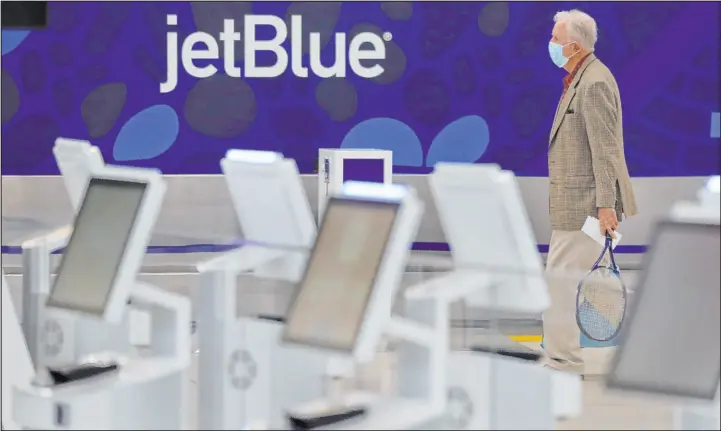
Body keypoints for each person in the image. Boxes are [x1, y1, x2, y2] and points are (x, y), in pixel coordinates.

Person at [542, 9, 638, 374]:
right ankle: (558, 356)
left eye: (555, 39)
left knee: (560, 284)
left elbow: (606, 150)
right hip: (572, 205)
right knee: (558, 281)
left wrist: (605, 207)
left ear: (573, 46)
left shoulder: (595, 83)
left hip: (585, 206)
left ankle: (563, 362)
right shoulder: (579, 79)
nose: (550, 45)